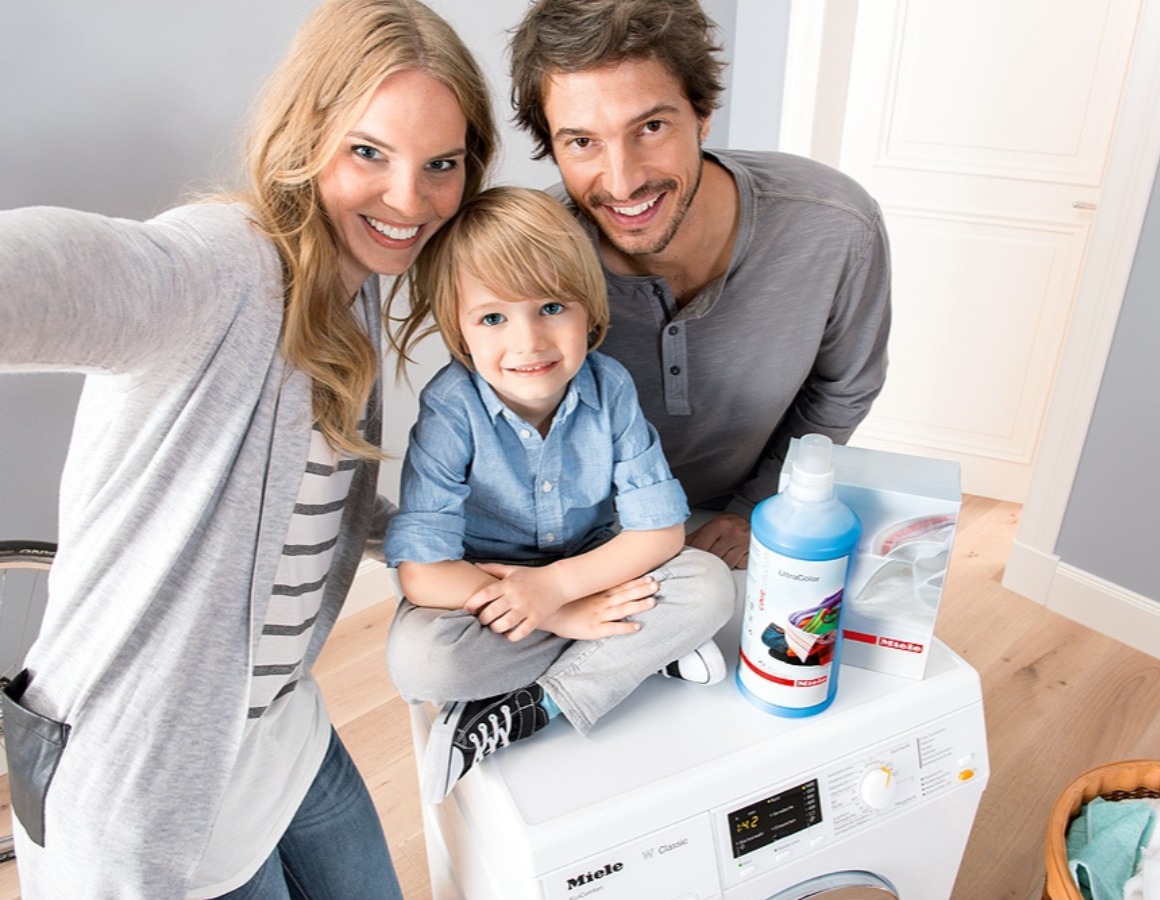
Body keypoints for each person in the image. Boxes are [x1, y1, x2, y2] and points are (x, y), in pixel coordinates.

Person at [0, 0, 496, 895]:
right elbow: (61, 271)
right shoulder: (219, 267)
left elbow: (318, 506)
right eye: (369, 152)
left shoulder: (353, 285)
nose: (409, 200)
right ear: (309, 133)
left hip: (280, 730)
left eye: (441, 165)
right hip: (152, 773)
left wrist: (445, 543)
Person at [508, 0, 892, 569]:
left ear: (703, 112)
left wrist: (761, 504)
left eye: (651, 127)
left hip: (747, 511)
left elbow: (843, 387)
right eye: (582, 142)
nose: (622, 182)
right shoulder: (526, 255)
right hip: (580, 531)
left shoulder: (836, 226)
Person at [383, 186, 735, 805]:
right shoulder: (450, 408)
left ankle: (537, 703)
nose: (529, 343)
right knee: (423, 662)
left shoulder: (609, 386)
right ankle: (638, 650)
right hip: (488, 586)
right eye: (493, 318)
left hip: (594, 565)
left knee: (709, 584)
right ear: (460, 330)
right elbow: (423, 573)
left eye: (551, 307)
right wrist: (556, 611)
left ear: (589, 311)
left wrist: (560, 585)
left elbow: (659, 533)